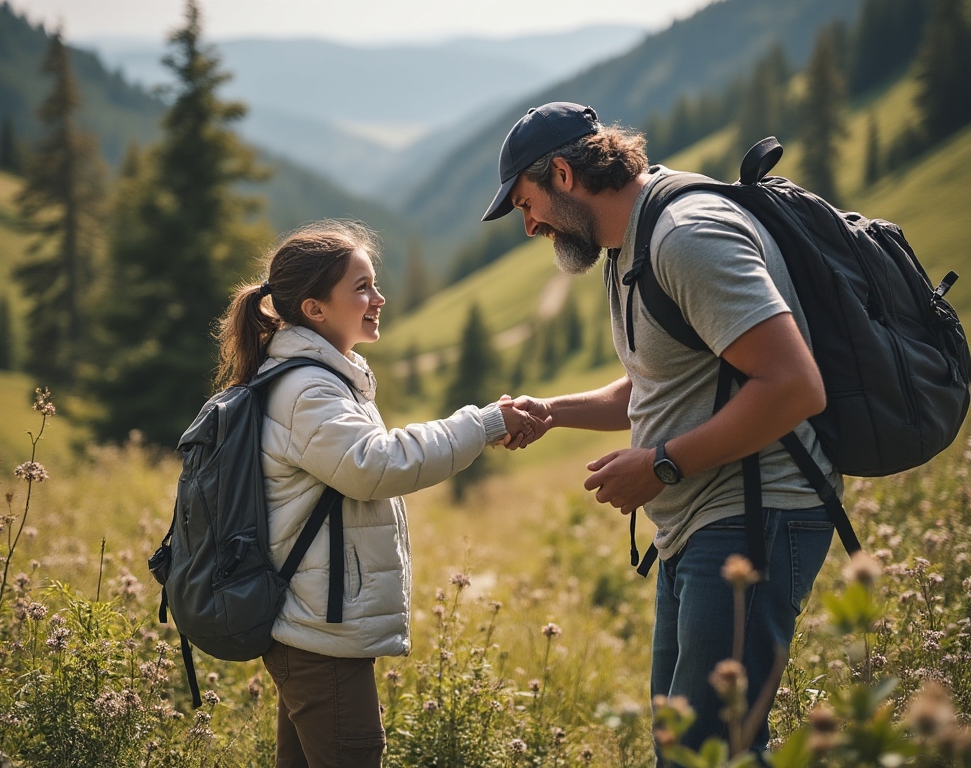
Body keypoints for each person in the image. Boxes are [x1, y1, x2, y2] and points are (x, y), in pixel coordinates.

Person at [481, 102, 840, 759]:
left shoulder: (685, 237)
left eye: (525, 204)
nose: (528, 225)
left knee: (711, 748)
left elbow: (794, 386)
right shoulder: (629, 246)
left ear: (562, 173)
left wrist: (661, 465)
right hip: (699, 525)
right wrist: (552, 411)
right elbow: (659, 382)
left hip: (755, 514)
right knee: (683, 745)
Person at [214, 219, 541, 768]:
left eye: (374, 283)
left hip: (314, 624)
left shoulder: (322, 377)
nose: (378, 298)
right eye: (361, 287)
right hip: (320, 633)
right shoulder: (308, 389)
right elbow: (376, 465)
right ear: (315, 309)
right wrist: (482, 424)